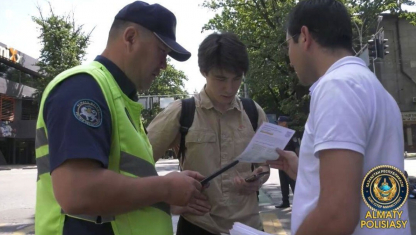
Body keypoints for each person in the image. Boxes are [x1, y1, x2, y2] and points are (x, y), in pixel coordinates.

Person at [34, 2, 208, 235]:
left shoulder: (120, 100)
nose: (164, 66)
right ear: (130, 37)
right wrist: (165, 188)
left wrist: (166, 201)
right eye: (161, 51)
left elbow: (124, 191)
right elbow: (76, 191)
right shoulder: (84, 87)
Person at [267, 0, 411, 235]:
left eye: (287, 44)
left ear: (304, 36)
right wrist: (306, 171)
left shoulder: (337, 87)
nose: (289, 57)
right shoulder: (377, 91)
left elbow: (337, 214)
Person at [147, 32, 270, 235]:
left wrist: (258, 178)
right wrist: (166, 201)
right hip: (199, 227)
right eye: (220, 78)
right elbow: (136, 165)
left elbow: (265, 164)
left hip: (249, 227)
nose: (229, 88)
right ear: (204, 71)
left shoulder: (253, 112)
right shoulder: (181, 112)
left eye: (237, 78)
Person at [275, 116, 299, 209]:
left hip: (290, 161)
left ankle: (297, 202)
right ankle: (285, 201)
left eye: (279, 122)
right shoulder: (280, 134)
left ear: (284, 123)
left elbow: (296, 147)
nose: (278, 124)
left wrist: (299, 159)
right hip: (281, 161)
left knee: (293, 182)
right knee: (283, 182)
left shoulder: (291, 134)